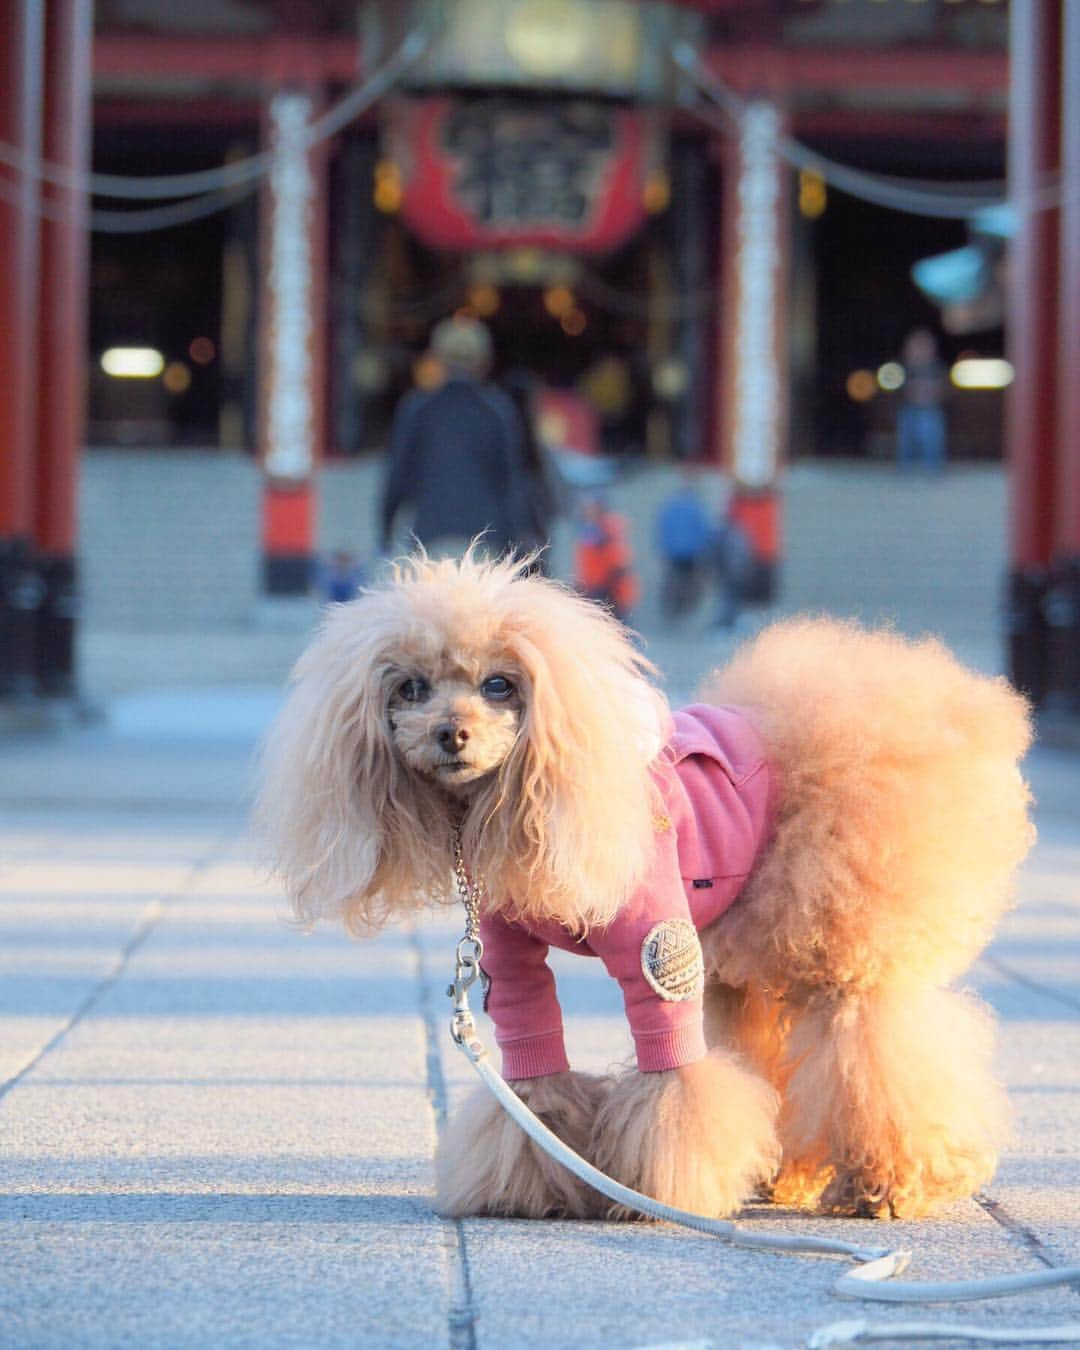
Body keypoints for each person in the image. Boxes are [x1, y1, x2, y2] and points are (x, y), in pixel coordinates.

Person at [380, 317, 531, 558]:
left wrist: (385, 530)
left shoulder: (418, 408)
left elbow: (397, 477)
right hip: (487, 541)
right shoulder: (497, 410)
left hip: (430, 538)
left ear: (438, 357)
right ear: (484, 359)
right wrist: (516, 541)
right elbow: (512, 484)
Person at [655, 474, 714, 620]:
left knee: (673, 580)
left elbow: (662, 528)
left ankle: (672, 609)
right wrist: (704, 551)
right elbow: (704, 531)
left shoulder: (670, 506)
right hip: (691, 553)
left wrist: (662, 548)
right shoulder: (698, 507)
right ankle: (685, 608)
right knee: (690, 582)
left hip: (672, 552)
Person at [573, 494, 639, 623]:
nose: (588, 512)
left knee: (617, 628)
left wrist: (606, 586)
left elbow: (618, 563)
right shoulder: (590, 531)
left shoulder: (607, 530)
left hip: (609, 591)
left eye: (591, 508)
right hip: (594, 589)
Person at [896, 328, 948, 474]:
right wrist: (914, 391)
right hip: (909, 409)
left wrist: (929, 393)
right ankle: (906, 469)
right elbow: (900, 390)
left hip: (930, 410)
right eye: (916, 346)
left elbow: (942, 389)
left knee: (931, 436)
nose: (920, 350)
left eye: (924, 346)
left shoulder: (936, 367)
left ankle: (933, 468)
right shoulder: (904, 368)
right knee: (906, 440)